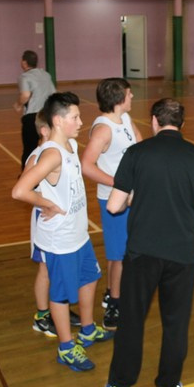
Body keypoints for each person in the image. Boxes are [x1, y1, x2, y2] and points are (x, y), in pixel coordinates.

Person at [104, 98, 194, 387]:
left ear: (154, 121)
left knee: (132, 320)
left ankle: (120, 385)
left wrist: (135, 197)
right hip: (183, 255)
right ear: (182, 124)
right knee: (176, 323)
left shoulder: (136, 153)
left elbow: (113, 206)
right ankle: (168, 386)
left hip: (142, 253)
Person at [11, 92, 112, 372]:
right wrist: (47, 203)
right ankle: (66, 347)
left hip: (78, 233)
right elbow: (19, 190)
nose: (80, 122)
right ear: (58, 120)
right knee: (61, 294)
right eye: (75, 117)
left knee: (90, 278)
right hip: (60, 240)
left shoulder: (70, 145)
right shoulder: (52, 154)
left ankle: (87, 330)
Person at [80, 78, 142, 330]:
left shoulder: (125, 118)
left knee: (121, 252)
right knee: (119, 257)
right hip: (113, 200)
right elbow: (86, 165)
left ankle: (110, 293)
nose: (132, 97)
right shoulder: (104, 129)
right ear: (119, 98)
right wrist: (119, 183)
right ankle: (114, 305)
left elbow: (139, 143)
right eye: (129, 93)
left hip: (130, 196)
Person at [25, 113, 81, 337]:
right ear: (45, 130)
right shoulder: (38, 156)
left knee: (57, 270)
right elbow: (24, 188)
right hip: (46, 221)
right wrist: (46, 203)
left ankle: (60, 309)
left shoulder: (61, 150)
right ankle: (42, 317)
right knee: (46, 270)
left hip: (63, 223)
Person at [14, 50, 56, 169]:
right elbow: (53, 93)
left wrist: (18, 104)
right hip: (46, 116)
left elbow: (25, 95)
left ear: (24, 62)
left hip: (32, 117)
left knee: (29, 149)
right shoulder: (46, 74)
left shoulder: (24, 77)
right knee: (47, 147)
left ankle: (26, 174)